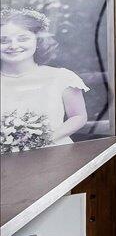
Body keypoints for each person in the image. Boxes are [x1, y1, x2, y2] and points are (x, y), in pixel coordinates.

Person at [0, 8, 89, 150]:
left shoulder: (62, 77)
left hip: (54, 154)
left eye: (23, 38)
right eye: (3, 40)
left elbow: (78, 116)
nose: (14, 46)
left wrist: (43, 139)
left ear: (38, 40)